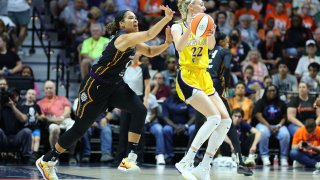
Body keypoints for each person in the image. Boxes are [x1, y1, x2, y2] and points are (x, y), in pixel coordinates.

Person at [36, 6, 174, 179]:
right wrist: (167, 18)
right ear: (122, 24)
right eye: (130, 18)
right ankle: (47, 160)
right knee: (79, 129)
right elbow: (149, 35)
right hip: (95, 86)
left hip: (115, 86)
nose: (135, 20)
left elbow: (151, 51)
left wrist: (167, 44)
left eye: (136, 17)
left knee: (140, 109)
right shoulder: (122, 38)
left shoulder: (133, 42)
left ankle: (129, 158)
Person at [172, 1, 232, 179]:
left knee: (225, 121)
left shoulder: (206, 21)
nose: (205, 9)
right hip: (187, 76)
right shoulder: (177, 27)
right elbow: (179, 47)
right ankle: (186, 160)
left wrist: (210, 32)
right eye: (201, 5)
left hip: (203, 75)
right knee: (213, 118)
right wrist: (192, 28)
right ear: (191, 7)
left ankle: (204, 165)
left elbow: (211, 46)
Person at [189, 32, 253, 175]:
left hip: (200, 85)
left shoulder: (205, 50)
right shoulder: (225, 51)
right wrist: (227, 84)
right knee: (228, 123)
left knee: (199, 125)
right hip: (215, 86)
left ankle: (187, 160)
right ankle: (240, 162)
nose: (228, 44)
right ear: (221, 42)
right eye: (227, 41)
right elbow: (228, 67)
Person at [254, 85, 290, 166]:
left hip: (278, 125)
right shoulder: (260, 102)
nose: (271, 92)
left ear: (277, 92)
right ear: (266, 92)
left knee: (285, 134)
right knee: (263, 132)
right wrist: (269, 126)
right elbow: (258, 116)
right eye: (269, 91)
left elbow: (285, 117)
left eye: (273, 90)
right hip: (263, 125)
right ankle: (264, 156)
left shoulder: (282, 103)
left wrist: (279, 126)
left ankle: (284, 157)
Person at [0, 77, 32, 164]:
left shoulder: (22, 106)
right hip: (4, 137)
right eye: (12, 96)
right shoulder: (2, 107)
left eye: (15, 96)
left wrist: (13, 107)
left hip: (17, 137)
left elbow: (23, 119)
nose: (13, 98)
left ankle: (26, 158)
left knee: (27, 131)